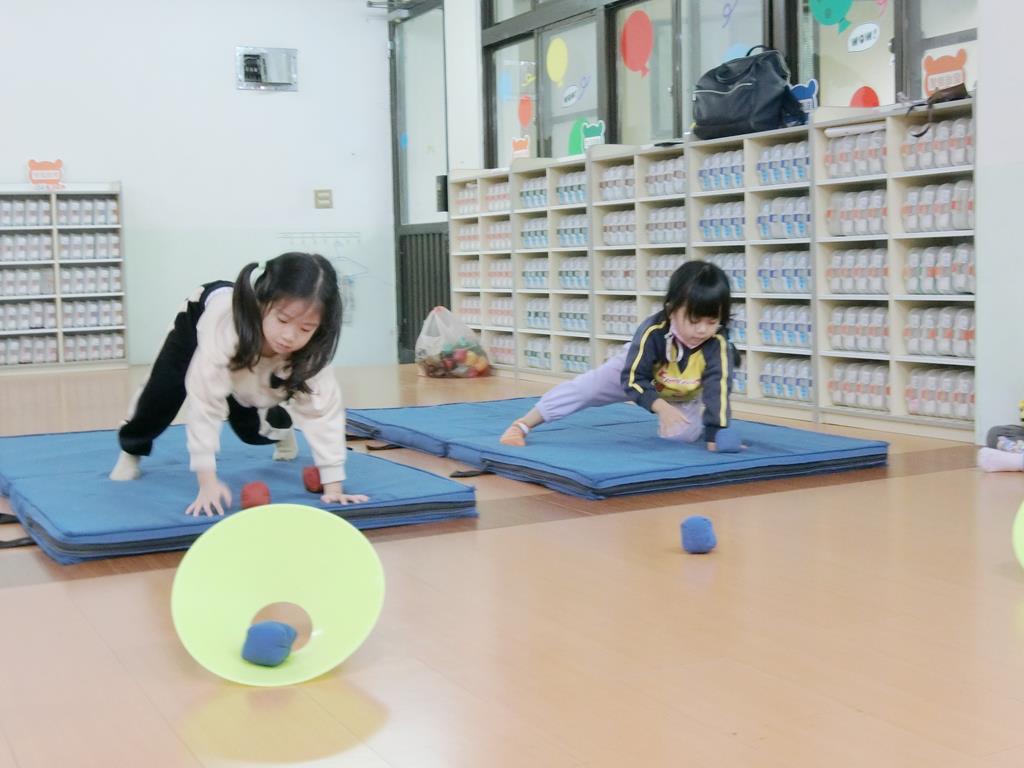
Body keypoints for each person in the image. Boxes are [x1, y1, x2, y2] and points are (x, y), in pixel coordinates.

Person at [109, 252, 368, 515]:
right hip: (200, 322)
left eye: (306, 328)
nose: (290, 336)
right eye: (283, 320)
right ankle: (132, 450)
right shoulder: (226, 328)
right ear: (261, 304)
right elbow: (205, 403)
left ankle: (280, 428)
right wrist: (207, 482)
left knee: (251, 423)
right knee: (161, 392)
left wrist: (333, 485)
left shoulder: (311, 353)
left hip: (251, 346)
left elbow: (323, 414)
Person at [500, 260, 738, 451]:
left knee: (680, 437)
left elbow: (718, 388)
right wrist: (660, 406)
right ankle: (523, 424)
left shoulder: (717, 343)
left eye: (712, 322)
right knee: (586, 389)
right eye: (694, 321)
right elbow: (634, 378)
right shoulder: (653, 333)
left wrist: (716, 433)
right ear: (671, 310)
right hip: (635, 375)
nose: (702, 330)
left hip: (680, 389)